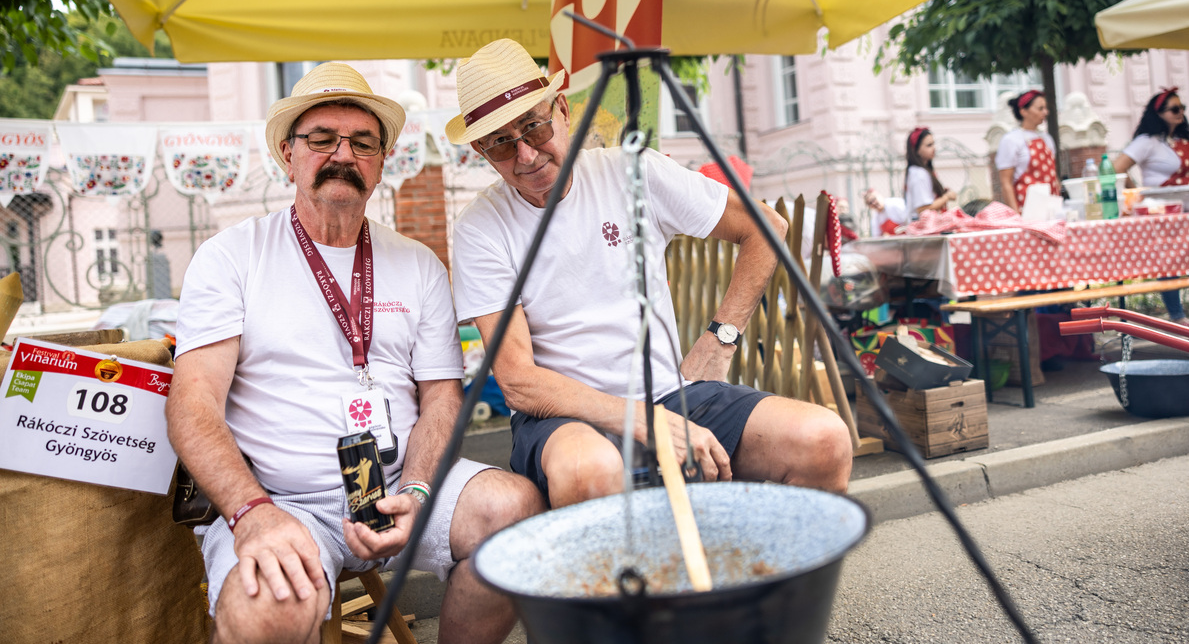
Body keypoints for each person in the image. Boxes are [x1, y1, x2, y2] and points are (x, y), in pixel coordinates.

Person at [165, 63, 543, 644]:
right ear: (288, 154)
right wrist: (251, 513)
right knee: (266, 608)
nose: (343, 154)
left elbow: (442, 397)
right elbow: (192, 405)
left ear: (382, 161)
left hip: (400, 484)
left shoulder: (417, 263)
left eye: (362, 142)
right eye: (322, 139)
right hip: (281, 501)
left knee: (514, 510)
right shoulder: (231, 258)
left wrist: (417, 491)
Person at [446, 39, 853, 510]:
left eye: (534, 128)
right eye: (500, 143)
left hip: (668, 396)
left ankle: (748, 561)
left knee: (824, 441)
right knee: (589, 469)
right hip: (559, 419)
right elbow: (518, 380)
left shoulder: (633, 171)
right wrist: (642, 420)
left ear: (563, 110)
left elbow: (766, 227)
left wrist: (720, 339)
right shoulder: (480, 227)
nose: (525, 155)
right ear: (480, 150)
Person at [1113, 87, 1189, 325]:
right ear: (1159, 113)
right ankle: (1177, 316)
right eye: (1174, 109)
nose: (1180, 113)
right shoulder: (1146, 142)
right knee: (1169, 261)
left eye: (1182, 108)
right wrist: (1137, 193)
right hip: (1164, 212)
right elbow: (1117, 168)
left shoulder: (1181, 141)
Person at [995, 89, 1060, 212]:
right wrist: (1016, 215)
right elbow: (1006, 183)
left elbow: (1054, 176)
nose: (1045, 112)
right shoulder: (1011, 140)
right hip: (1026, 210)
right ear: (1023, 111)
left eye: (1045, 108)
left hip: (1051, 207)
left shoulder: (1047, 139)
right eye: (1040, 108)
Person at [904, 127, 957, 218]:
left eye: (933, 144)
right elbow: (923, 209)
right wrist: (947, 197)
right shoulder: (919, 174)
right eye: (929, 145)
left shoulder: (919, 171)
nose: (934, 148)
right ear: (916, 150)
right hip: (922, 224)